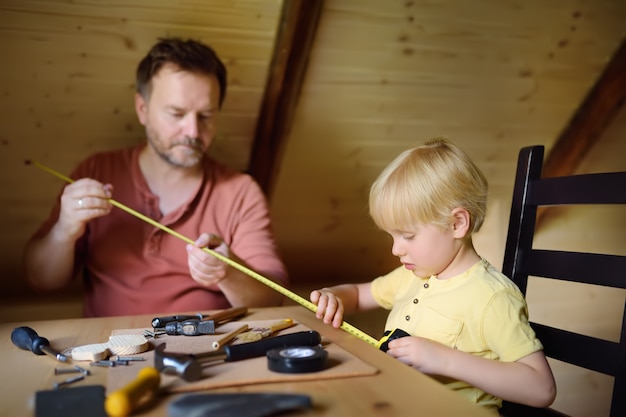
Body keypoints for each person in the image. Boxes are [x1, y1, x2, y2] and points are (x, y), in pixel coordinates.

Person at [23, 37, 288, 317]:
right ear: (142, 109)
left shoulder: (240, 192)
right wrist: (64, 231)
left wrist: (228, 273)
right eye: (177, 113)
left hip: (207, 354)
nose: (193, 131)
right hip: (109, 352)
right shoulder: (97, 171)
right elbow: (40, 279)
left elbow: (272, 299)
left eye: (206, 116)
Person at [310, 138, 556, 412]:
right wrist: (335, 297)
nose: (395, 249)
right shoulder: (412, 276)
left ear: (456, 224)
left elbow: (540, 388)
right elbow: (357, 295)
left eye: (408, 236)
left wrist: (444, 359)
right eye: (391, 236)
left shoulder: (492, 297)